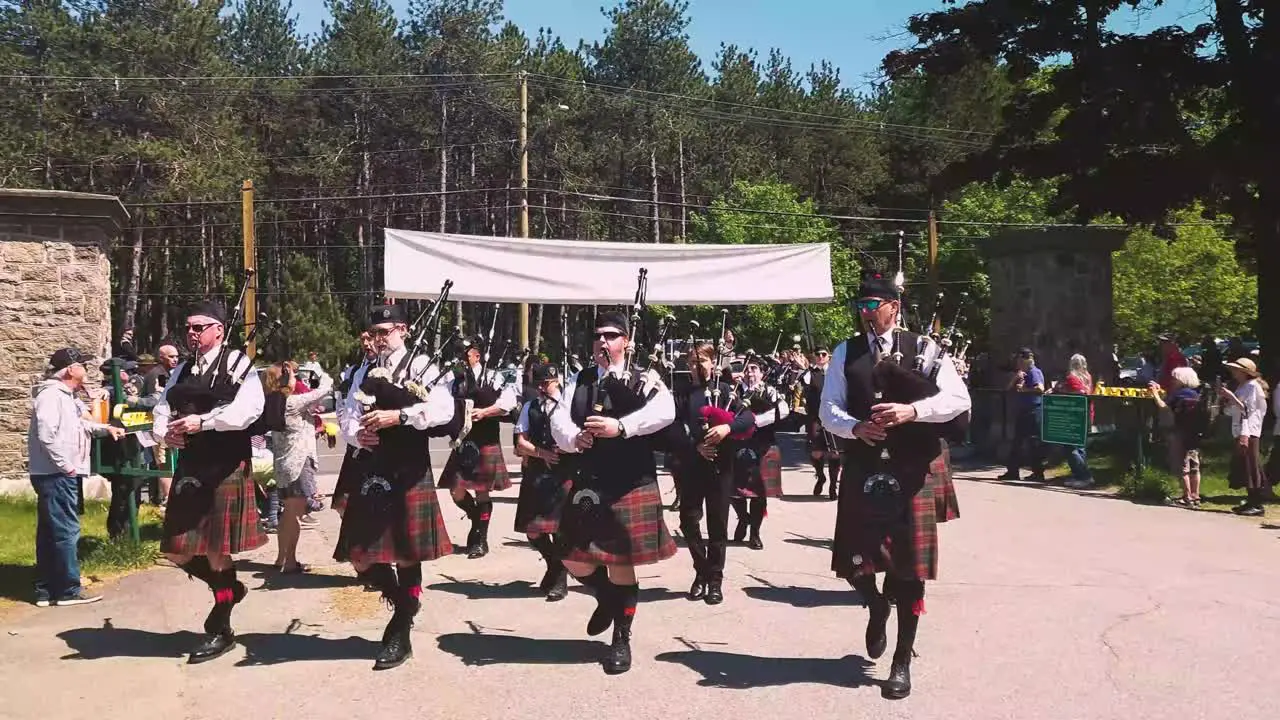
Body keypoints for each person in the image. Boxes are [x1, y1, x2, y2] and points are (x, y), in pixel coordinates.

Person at [819, 272, 971, 700]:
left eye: (874, 305)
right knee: (853, 563)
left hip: (911, 469)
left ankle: (901, 661)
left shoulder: (924, 349)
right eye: (862, 306)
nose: (867, 314)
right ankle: (876, 603)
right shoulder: (844, 352)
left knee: (909, 572)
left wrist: (913, 411)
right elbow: (828, 408)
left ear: (894, 308)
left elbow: (959, 401)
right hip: (865, 465)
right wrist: (854, 427)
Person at [333, 302, 465, 669]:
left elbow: (443, 411)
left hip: (408, 467)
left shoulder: (423, 366)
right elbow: (346, 414)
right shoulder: (362, 370)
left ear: (403, 330)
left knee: (406, 553)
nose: (379, 339)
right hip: (371, 467)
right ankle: (405, 600)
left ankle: (401, 630)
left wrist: (401, 415)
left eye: (385, 332)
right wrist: (357, 435)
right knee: (360, 556)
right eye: (374, 333)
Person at [549, 310, 678, 676]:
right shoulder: (581, 377)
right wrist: (574, 437)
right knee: (573, 559)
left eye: (610, 336)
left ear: (626, 341)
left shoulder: (645, 377)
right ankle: (607, 599)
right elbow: (559, 418)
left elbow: (665, 412)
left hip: (629, 481)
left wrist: (620, 426)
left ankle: (621, 638)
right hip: (589, 481)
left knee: (621, 564)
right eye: (598, 337)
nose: (602, 342)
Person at [151, 302, 267, 664]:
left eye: (199, 326)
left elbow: (250, 409)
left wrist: (204, 423)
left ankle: (220, 626)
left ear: (219, 329)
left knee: (217, 551)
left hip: (224, 465)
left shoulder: (237, 363)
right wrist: (163, 433)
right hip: (190, 465)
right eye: (188, 327)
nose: (192, 333)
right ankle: (230, 590)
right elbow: (161, 407)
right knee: (175, 549)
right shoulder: (182, 368)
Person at [28, 348, 124, 607]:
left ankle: (46, 589)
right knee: (65, 530)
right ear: (70, 369)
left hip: (56, 471)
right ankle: (68, 589)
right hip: (56, 473)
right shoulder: (52, 395)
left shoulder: (66, 396)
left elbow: (80, 424)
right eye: (82, 364)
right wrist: (66, 466)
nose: (86, 368)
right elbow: (47, 434)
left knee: (51, 531)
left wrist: (106, 428)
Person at [672, 341, 754, 605]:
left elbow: (747, 418)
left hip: (721, 466)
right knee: (688, 521)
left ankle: (715, 581)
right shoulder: (683, 393)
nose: (699, 366)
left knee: (717, 526)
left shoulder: (726, 390)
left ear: (713, 362)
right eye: (694, 362)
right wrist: (695, 446)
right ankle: (702, 570)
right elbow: (674, 428)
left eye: (704, 361)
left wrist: (726, 429)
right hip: (692, 466)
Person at [440, 335, 518, 559]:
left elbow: (508, 403)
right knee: (456, 491)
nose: (460, 359)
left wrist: (485, 412)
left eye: (464, 355)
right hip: (464, 440)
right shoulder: (455, 380)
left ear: (477, 354)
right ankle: (477, 521)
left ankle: (479, 539)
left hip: (485, 440)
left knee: (481, 491)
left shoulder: (493, 377)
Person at [512, 362, 574, 602]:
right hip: (537, 472)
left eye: (546, 383)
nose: (541, 388)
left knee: (559, 530)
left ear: (556, 381)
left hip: (563, 472)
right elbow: (521, 443)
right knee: (533, 531)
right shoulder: (530, 406)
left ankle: (560, 581)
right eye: (538, 384)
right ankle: (555, 565)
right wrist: (542, 453)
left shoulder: (568, 405)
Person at [264, 361, 333, 572]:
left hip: (283, 464)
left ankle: (281, 558)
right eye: (294, 375)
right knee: (294, 513)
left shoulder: (272, 402)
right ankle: (291, 562)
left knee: (287, 512)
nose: (298, 379)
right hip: (299, 462)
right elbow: (325, 387)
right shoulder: (292, 402)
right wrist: (319, 371)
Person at [730, 355, 788, 550]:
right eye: (747, 368)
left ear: (762, 373)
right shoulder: (734, 390)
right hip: (736, 444)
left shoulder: (769, 391)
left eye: (754, 368)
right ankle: (743, 519)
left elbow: (784, 409)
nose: (749, 372)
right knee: (733, 491)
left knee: (758, 494)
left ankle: (754, 533)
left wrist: (756, 421)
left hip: (763, 445)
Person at [1218, 358, 1270, 516]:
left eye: (1236, 369)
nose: (1233, 372)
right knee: (1245, 465)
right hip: (1240, 429)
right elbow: (1234, 410)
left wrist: (1231, 397)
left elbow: (1248, 410)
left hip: (1249, 431)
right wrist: (1227, 400)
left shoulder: (1253, 387)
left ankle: (1257, 503)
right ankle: (1251, 500)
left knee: (1251, 465)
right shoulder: (1242, 387)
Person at [1151, 366, 1206, 508]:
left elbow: (1164, 406)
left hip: (1180, 432)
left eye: (1174, 378)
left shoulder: (1179, 394)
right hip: (1195, 433)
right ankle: (1196, 495)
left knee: (1182, 466)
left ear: (1181, 380)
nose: (1172, 380)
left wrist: (1155, 393)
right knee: (1195, 466)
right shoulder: (1195, 393)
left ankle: (1186, 496)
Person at [1000, 348, 1046, 482]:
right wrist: (1015, 378)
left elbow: (1040, 388)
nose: (1018, 363)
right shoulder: (1023, 373)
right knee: (1017, 442)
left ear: (1026, 360)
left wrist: (1025, 389)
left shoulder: (1034, 372)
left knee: (1033, 442)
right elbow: (1007, 389)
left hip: (1033, 410)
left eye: (1020, 360)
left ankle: (1038, 472)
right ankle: (1013, 471)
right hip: (1024, 410)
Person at [804, 346, 840, 499]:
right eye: (817, 354)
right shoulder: (810, 374)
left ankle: (833, 485)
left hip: (833, 416)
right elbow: (801, 382)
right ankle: (820, 476)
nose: (820, 357)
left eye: (823, 354)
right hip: (815, 417)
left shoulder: (835, 373)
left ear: (828, 356)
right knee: (816, 452)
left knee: (834, 453)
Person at [1060, 354, 1095, 489]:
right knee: (1080, 446)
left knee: (1070, 446)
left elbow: (1077, 393)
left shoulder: (1072, 378)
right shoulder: (1088, 377)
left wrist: (1061, 390)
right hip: (1088, 414)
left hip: (1074, 415)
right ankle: (1078, 475)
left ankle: (1084, 476)